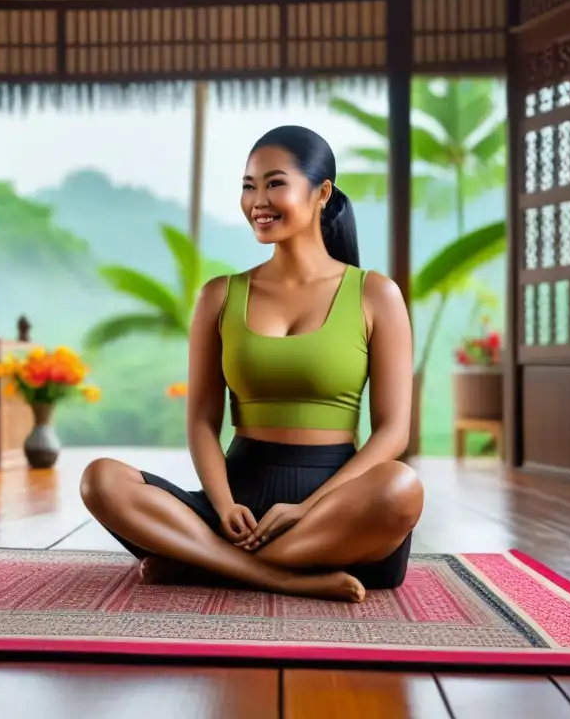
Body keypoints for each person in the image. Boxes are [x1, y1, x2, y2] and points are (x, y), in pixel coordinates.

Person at [79, 125, 422, 603]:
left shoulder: (375, 294)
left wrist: (308, 508)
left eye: (274, 183)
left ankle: (203, 561)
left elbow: (393, 432)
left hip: (334, 511)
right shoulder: (219, 296)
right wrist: (221, 505)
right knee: (101, 479)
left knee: (401, 488)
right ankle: (277, 576)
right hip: (234, 504)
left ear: (322, 192)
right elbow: (201, 420)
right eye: (248, 185)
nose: (257, 200)